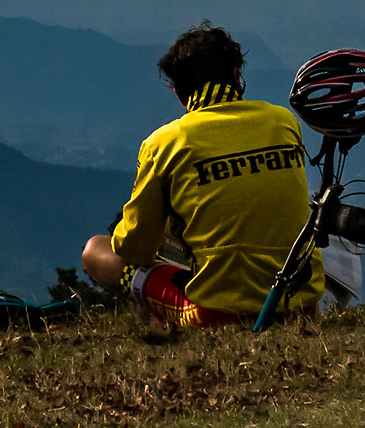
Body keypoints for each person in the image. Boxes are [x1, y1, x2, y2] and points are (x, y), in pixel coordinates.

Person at [79, 21, 322, 328]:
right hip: (300, 307)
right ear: (236, 76)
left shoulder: (166, 143)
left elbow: (134, 249)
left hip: (216, 314)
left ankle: (158, 322)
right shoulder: (283, 122)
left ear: (179, 93)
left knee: (97, 251)